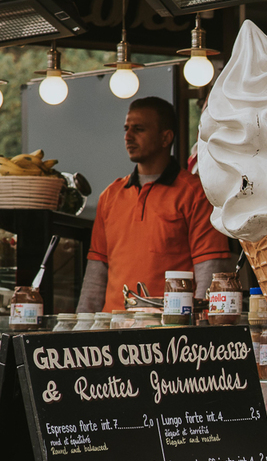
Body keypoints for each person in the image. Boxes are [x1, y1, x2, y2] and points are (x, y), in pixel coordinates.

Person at [77, 97, 232, 314]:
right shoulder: (110, 196)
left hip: (171, 333)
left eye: (138, 129)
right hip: (112, 329)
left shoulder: (195, 193)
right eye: (126, 129)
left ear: (165, 137)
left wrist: (200, 329)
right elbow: (96, 274)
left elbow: (210, 271)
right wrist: (82, 328)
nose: (128, 137)